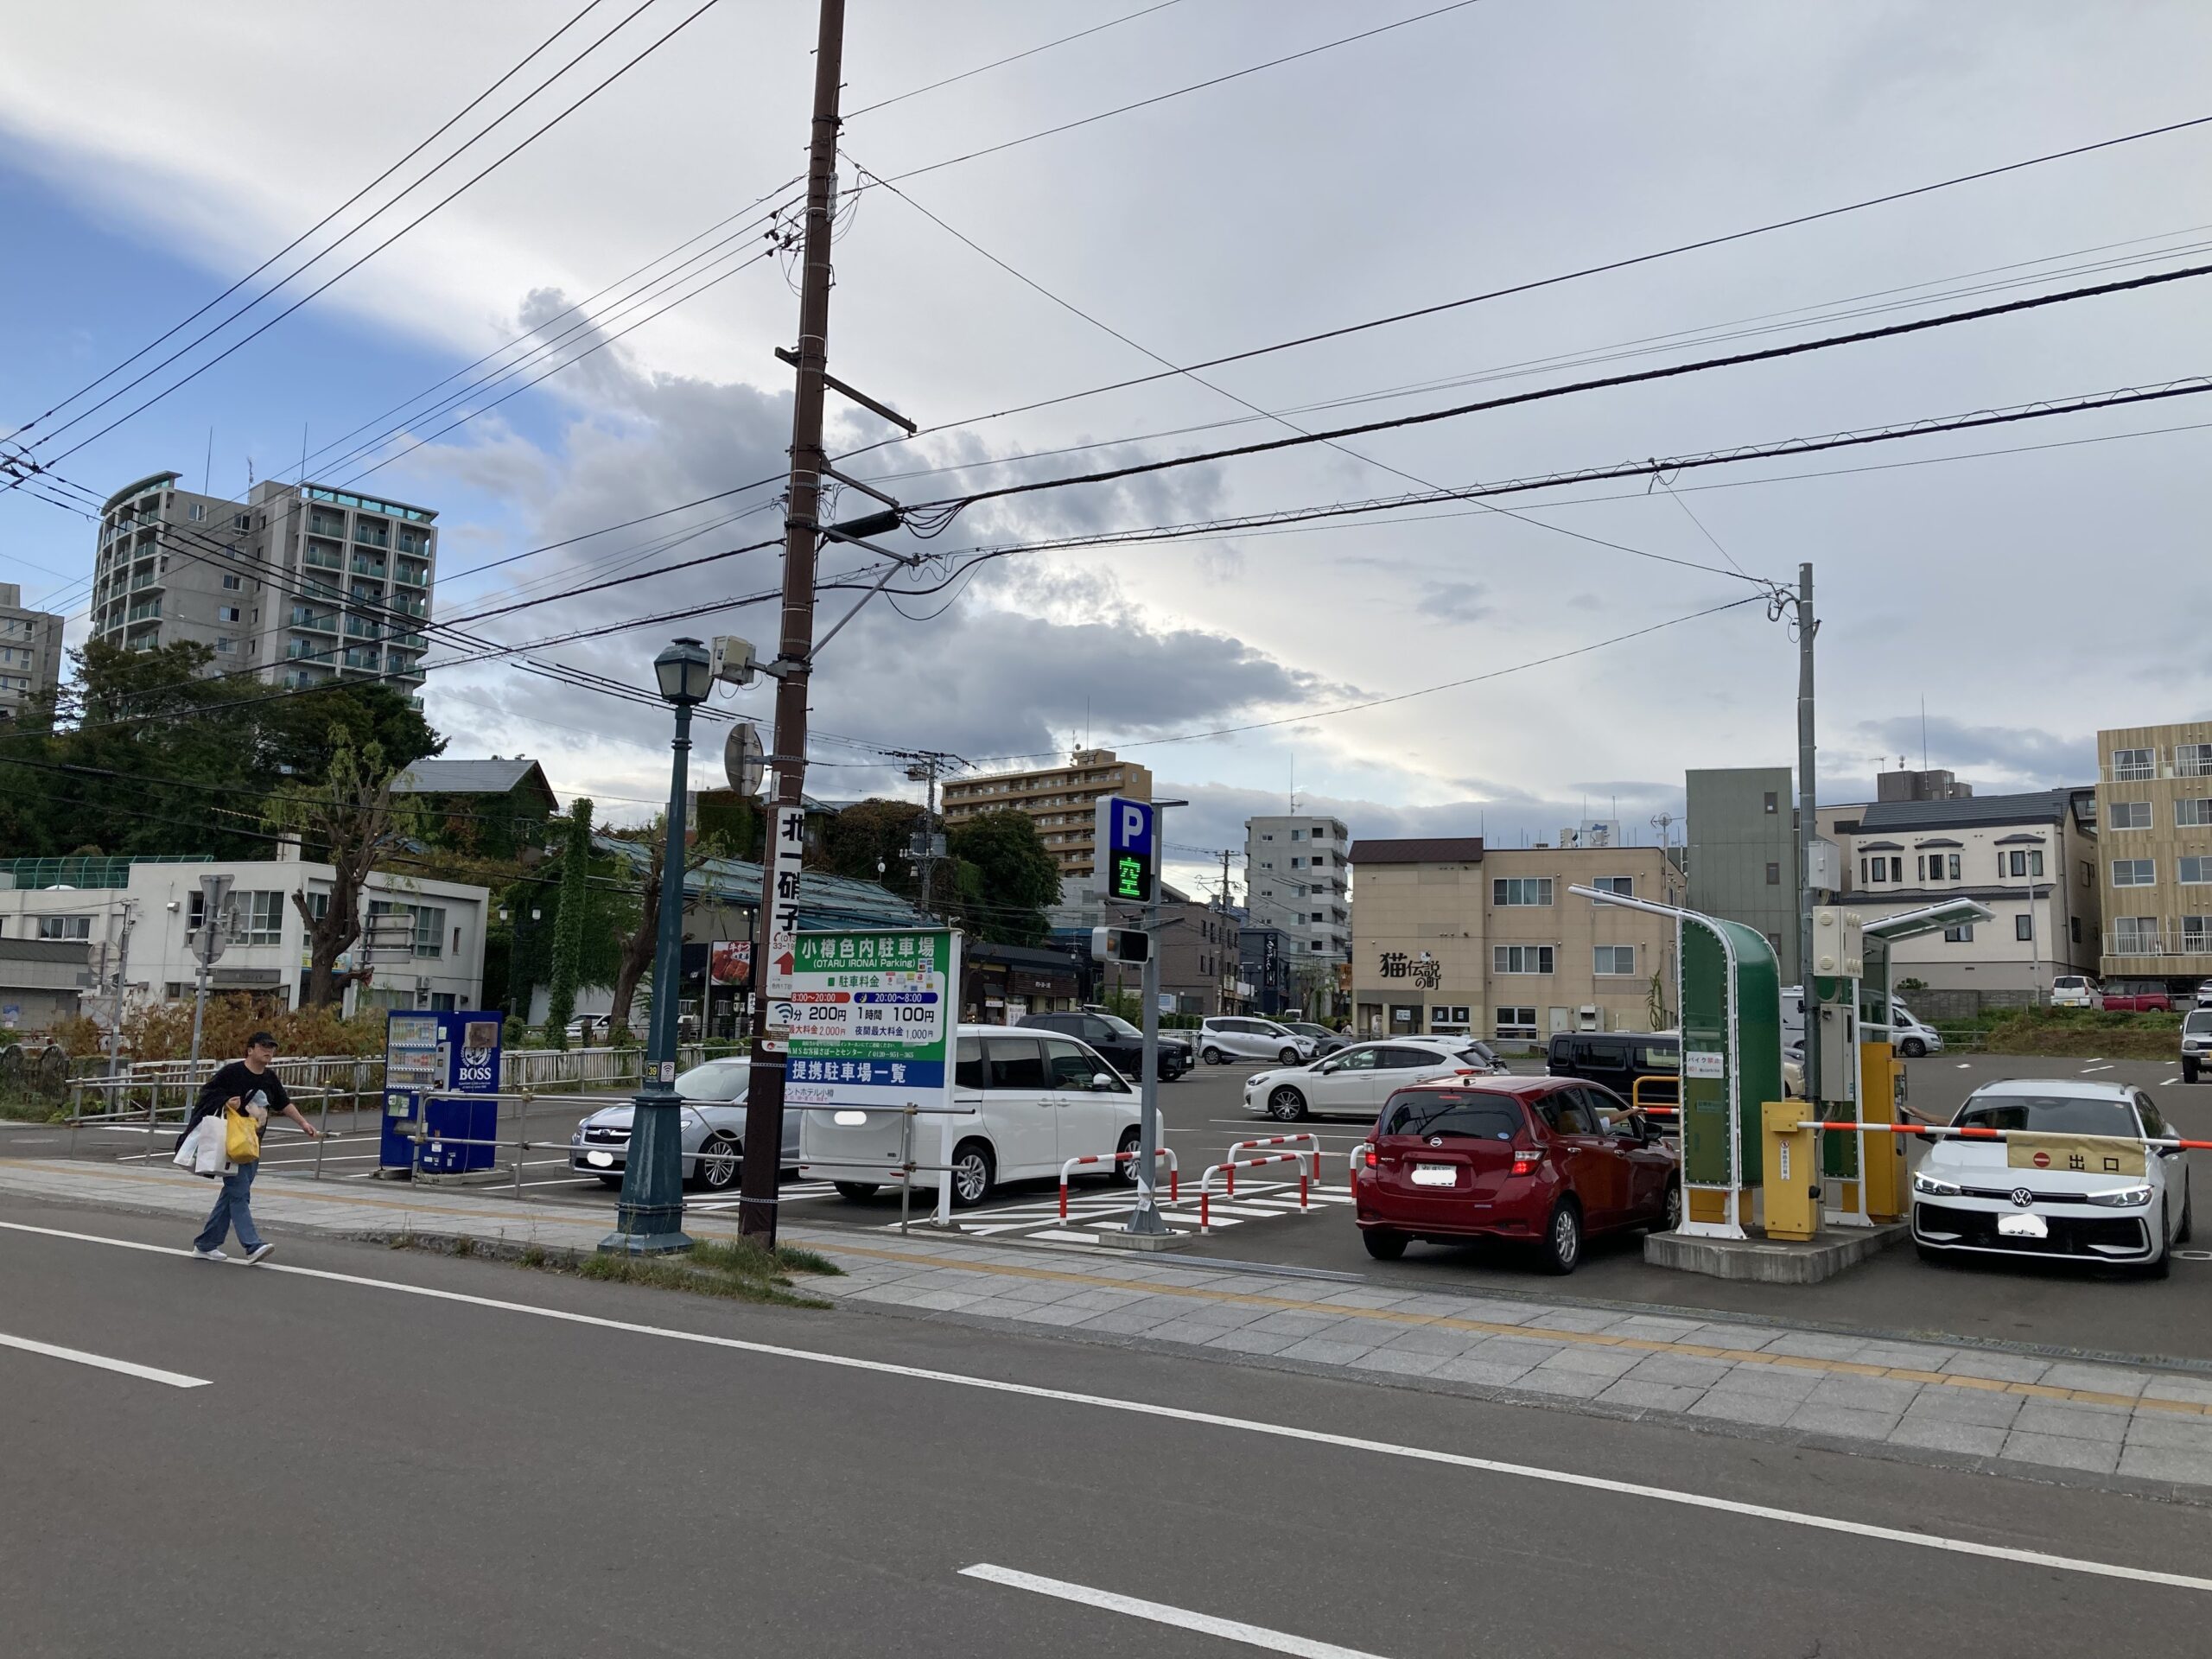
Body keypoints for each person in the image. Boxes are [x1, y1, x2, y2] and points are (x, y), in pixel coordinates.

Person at [188, 1032, 321, 1263]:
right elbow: (207, 1094)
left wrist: (303, 1124)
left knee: (231, 1195)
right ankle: (252, 1245)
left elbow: (283, 1103)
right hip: (231, 1144)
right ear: (250, 1050)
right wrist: (225, 1102)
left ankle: (206, 1244)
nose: (269, 1051)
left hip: (252, 1145)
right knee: (240, 1194)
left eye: (272, 1047)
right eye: (264, 1046)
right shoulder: (232, 1072)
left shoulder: (269, 1078)